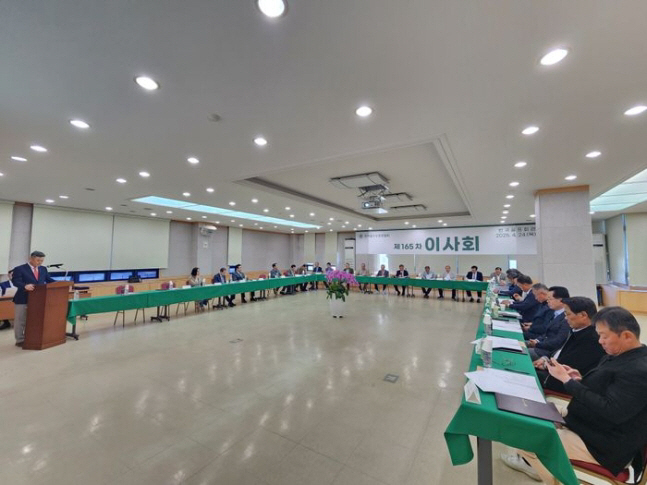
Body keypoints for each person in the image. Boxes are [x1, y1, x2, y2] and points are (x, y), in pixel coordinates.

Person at [503, 306, 647, 484]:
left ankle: (555, 478)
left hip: (601, 444)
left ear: (626, 336)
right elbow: (609, 388)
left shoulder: (639, 370)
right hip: (586, 422)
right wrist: (579, 379)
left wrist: (567, 381)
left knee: (523, 436)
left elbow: (612, 411)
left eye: (604, 336)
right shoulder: (622, 354)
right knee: (525, 415)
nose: (600, 341)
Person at [534, 296, 606, 394]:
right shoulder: (576, 330)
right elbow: (559, 350)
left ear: (583, 315)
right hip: (552, 371)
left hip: (561, 382)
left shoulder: (593, 340)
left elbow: (568, 365)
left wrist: (546, 365)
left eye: (568, 314)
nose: (565, 318)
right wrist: (545, 358)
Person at [11, 251, 55, 347]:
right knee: (20, 320)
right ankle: (19, 340)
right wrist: (25, 286)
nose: (40, 262)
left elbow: (49, 280)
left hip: (38, 299)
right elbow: (16, 281)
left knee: (35, 319)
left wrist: (60, 284)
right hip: (23, 298)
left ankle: (32, 337)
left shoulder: (43, 269)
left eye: (42, 261)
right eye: (38, 260)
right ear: (31, 259)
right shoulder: (20, 269)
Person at [525, 285, 570, 361]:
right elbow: (546, 332)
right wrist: (537, 340)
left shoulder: (567, 318)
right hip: (541, 344)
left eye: (550, 299)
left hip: (547, 352)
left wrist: (538, 344)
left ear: (561, 301)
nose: (547, 301)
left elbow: (557, 341)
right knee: (519, 344)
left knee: (522, 351)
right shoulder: (554, 312)